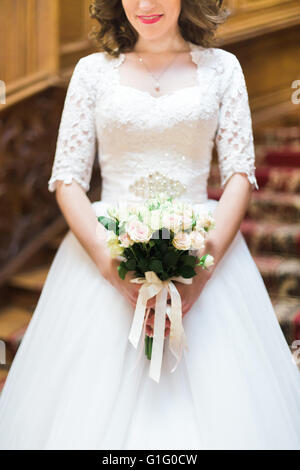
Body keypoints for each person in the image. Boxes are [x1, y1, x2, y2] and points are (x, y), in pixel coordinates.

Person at [1, 0, 300, 450]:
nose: (145, 4)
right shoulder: (91, 71)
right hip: (107, 250)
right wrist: (110, 265)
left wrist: (201, 271)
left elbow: (241, 172)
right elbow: (67, 178)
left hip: (204, 244)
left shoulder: (223, 68)